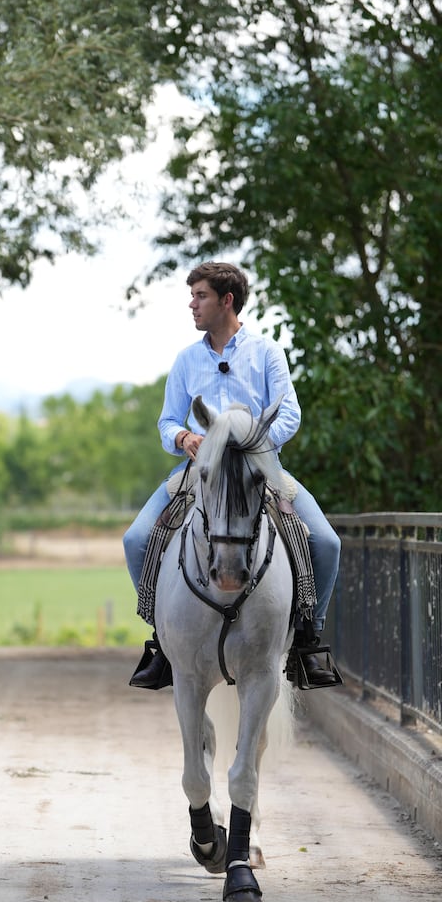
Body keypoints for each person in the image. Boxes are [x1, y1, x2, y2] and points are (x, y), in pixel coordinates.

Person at [123, 261, 340, 689]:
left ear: (227, 301)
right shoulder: (186, 360)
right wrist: (184, 436)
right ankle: (162, 642)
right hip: (198, 472)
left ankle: (307, 642)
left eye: (200, 296)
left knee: (327, 542)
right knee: (136, 539)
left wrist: (251, 443)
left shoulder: (266, 353)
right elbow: (166, 422)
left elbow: (290, 413)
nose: (192, 304)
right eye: (192, 296)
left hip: (261, 467)